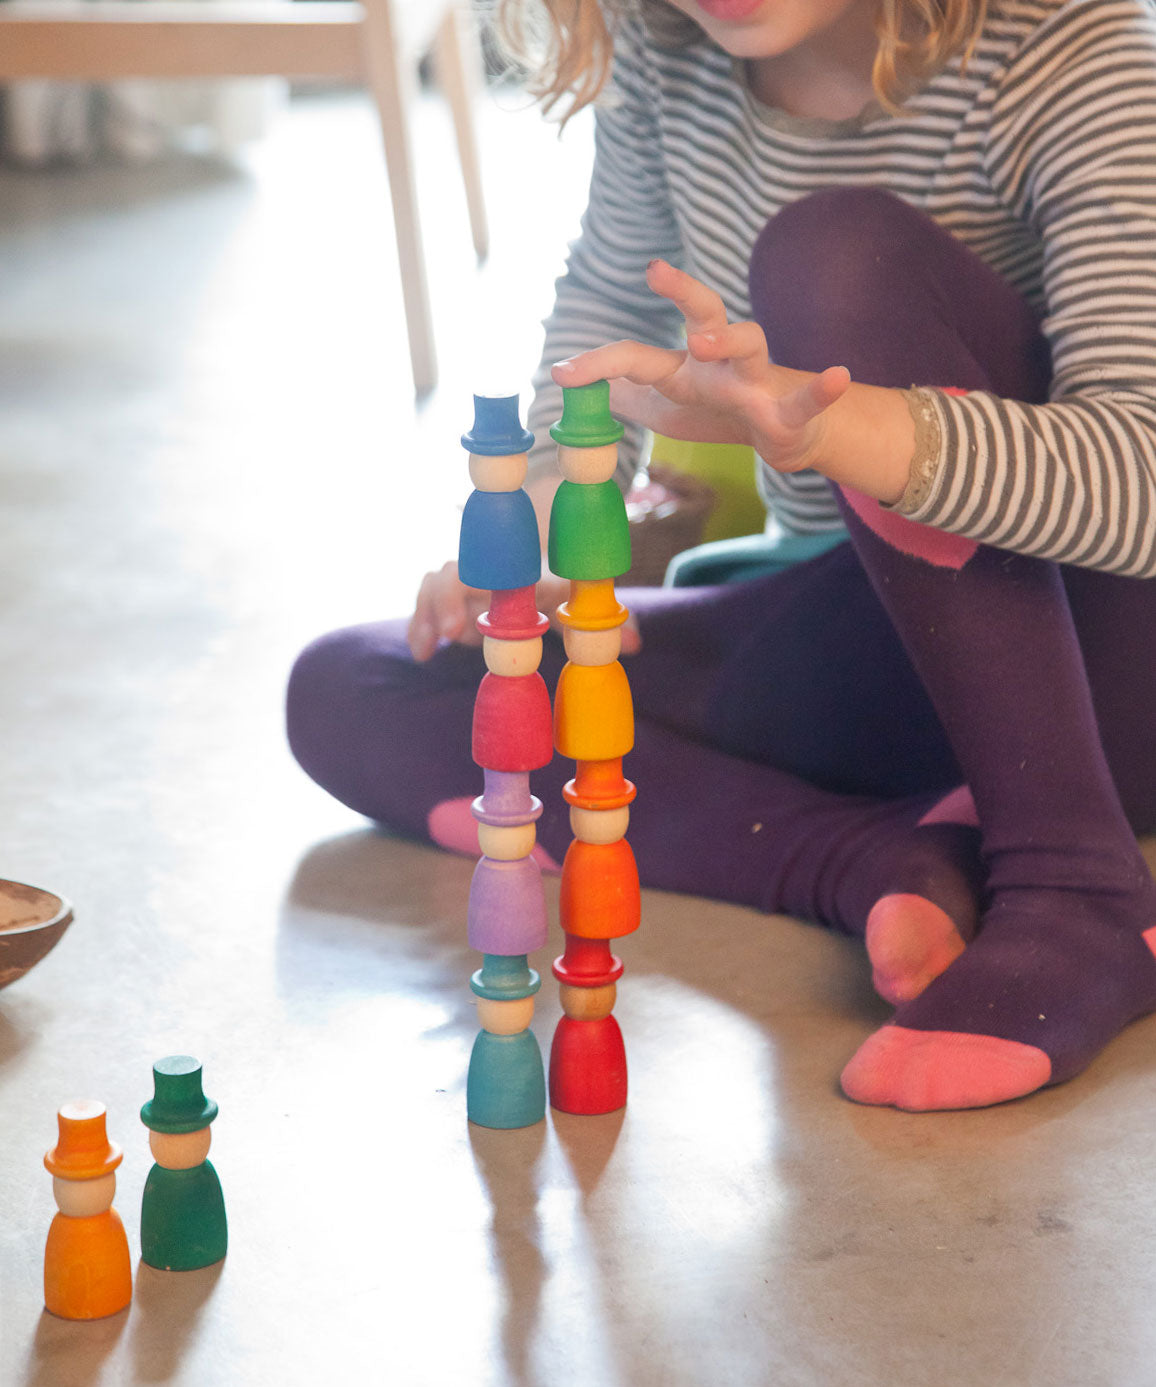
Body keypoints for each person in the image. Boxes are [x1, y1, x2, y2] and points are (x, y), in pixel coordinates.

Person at [287, 0, 1156, 1111]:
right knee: (360, 686)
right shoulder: (671, 46)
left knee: (833, 254)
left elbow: (1137, 477)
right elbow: (601, 336)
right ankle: (876, 863)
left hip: (1101, 669)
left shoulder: (1069, 50)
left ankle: (1072, 880)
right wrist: (545, 534)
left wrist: (833, 429)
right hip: (857, 633)